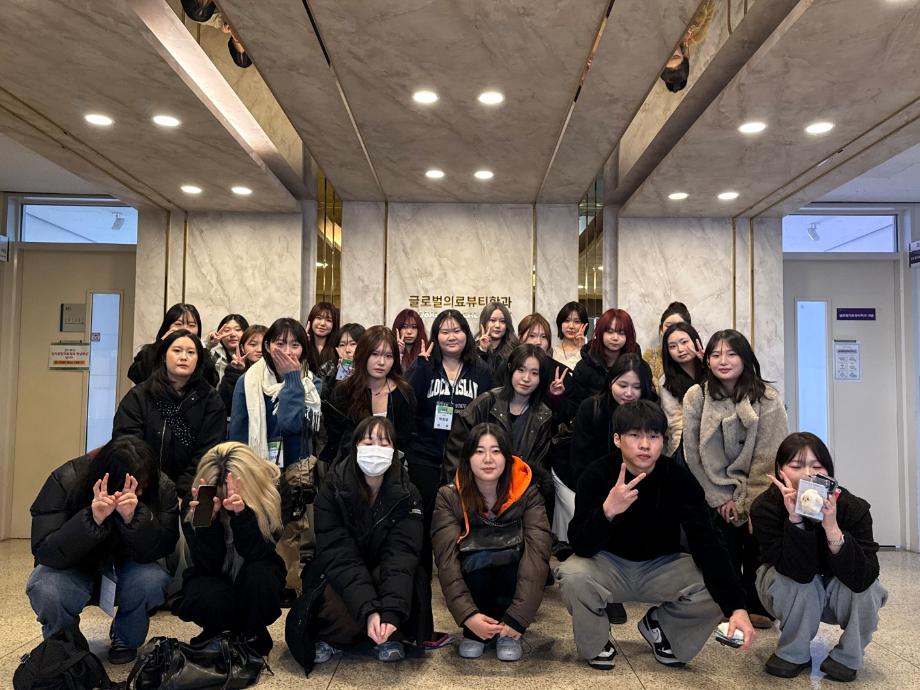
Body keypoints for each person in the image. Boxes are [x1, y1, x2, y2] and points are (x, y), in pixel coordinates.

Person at [555, 401, 755, 670]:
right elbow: (580, 544)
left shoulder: (678, 479)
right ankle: (597, 641)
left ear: (663, 441)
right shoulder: (597, 474)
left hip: (662, 566)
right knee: (572, 575)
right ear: (617, 439)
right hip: (608, 564)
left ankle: (662, 627)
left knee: (715, 584)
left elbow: (708, 542)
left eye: (653, 436)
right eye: (635, 435)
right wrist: (607, 511)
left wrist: (737, 608)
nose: (645, 445)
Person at [27, 437, 179, 665]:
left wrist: (134, 519)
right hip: (75, 565)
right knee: (46, 587)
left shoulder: (162, 486)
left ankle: (126, 638)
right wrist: (92, 520)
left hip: (129, 566)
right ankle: (66, 646)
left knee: (152, 580)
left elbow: (163, 546)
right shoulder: (65, 479)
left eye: (142, 485)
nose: (138, 491)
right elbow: (45, 551)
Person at [751, 433, 887, 681]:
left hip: (836, 584)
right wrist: (795, 520)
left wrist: (831, 527)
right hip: (784, 586)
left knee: (869, 589)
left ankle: (848, 657)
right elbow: (797, 572)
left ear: (829, 472)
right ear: (780, 470)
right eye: (796, 466)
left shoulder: (852, 507)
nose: (807, 475)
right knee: (800, 584)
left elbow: (864, 576)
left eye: (817, 467)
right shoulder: (766, 507)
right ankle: (793, 652)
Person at [299, 417, 430, 667]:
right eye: (368, 442)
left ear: (394, 451)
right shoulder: (332, 489)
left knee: (410, 584)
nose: (376, 449)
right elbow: (339, 553)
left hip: (384, 569)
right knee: (339, 606)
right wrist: (368, 609)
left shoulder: (407, 493)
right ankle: (335, 637)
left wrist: (390, 612)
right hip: (341, 569)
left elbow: (401, 554)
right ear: (355, 447)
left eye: (384, 443)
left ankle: (389, 634)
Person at [682, 329, 788, 628]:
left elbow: (769, 456)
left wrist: (746, 503)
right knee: (719, 543)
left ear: (745, 358)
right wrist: (720, 497)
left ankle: (757, 603)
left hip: (758, 488)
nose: (723, 361)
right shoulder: (697, 396)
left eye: (731, 354)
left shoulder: (767, 398)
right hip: (714, 488)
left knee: (756, 541)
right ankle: (728, 603)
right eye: (716, 354)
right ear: (707, 360)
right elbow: (693, 453)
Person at [432, 423, 551, 661]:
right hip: (474, 583)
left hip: (512, 581)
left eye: (496, 451)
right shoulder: (449, 496)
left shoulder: (527, 493)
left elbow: (538, 554)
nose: (488, 459)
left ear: (507, 457)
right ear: (467, 458)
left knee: (516, 563)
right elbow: (446, 560)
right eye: (479, 451)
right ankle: (475, 631)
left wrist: (518, 619)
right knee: (473, 562)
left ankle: (508, 632)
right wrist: (467, 616)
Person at [229, 318, 322, 596]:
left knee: (290, 530)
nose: (288, 351)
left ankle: (287, 584)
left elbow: (290, 424)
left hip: (294, 468)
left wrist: (292, 379)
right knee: (258, 527)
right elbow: (238, 431)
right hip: (256, 466)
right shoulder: (248, 381)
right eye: (280, 343)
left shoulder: (310, 384)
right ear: (268, 346)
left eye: (295, 345)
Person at [406, 309, 493, 584]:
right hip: (426, 453)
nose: (451, 336)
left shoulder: (482, 370)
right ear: (436, 336)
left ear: (467, 334)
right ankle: (421, 575)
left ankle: (463, 573)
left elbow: (490, 411)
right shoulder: (424, 367)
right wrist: (418, 369)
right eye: (445, 331)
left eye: (457, 330)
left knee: (464, 517)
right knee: (423, 517)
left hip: (466, 457)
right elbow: (408, 404)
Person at [179, 442, 285, 656]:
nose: (224, 497)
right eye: (218, 492)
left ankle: (251, 632)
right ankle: (219, 632)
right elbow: (205, 565)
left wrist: (242, 516)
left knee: (261, 579)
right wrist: (208, 524)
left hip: (255, 571)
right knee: (205, 593)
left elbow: (259, 552)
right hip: (216, 576)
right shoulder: (195, 501)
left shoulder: (274, 493)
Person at [113, 329, 226, 500]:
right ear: (164, 356)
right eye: (177, 350)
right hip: (143, 490)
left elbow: (208, 451)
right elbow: (127, 444)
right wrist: (155, 487)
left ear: (199, 360)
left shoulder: (211, 400)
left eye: (191, 352)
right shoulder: (140, 395)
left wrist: (182, 491)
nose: (184, 357)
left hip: (192, 492)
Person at [443, 345, 554, 518]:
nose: (526, 378)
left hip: (517, 501)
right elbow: (456, 451)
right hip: (473, 495)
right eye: (521, 370)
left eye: (534, 373)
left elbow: (538, 468)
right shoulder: (486, 402)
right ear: (510, 368)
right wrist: (464, 491)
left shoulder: (544, 416)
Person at [320, 326, 416, 466]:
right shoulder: (345, 390)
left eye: (388, 356)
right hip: (349, 466)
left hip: (391, 466)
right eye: (375, 354)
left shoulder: (403, 392)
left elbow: (406, 438)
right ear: (363, 354)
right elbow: (334, 438)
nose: (381, 362)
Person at [564, 308, 640, 419]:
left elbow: (648, 400)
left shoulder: (638, 365)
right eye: (610, 332)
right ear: (600, 333)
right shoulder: (584, 367)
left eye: (621, 333)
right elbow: (575, 406)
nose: (615, 338)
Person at [128, 303, 218, 387]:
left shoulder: (201, 353)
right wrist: (160, 344)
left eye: (191, 325)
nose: (185, 329)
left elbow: (212, 381)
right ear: (167, 327)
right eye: (178, 324)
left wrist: (203, 347)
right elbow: (137, 375)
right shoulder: (151, 350)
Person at [659, 322, 705, 459]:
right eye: (672, 346)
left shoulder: (712, 370)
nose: (680, 349)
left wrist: (709, 367)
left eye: (684, 342)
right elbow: (676, 424)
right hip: (685, 448)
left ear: (695, 341)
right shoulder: (666, 381)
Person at [218, 324, 266, 418]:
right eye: (253, 344)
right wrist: (237, 373)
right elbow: (225, 406)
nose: (259, 350)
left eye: (263, 345)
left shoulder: (277, 372)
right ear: (242, 348)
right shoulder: (232, 372)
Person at [643, 301, 691, 389]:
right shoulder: (650, 359)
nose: (674, 330)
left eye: (680, 326)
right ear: (661, 330)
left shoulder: (695, 356)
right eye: (669, 326)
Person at [318, 322, 365, 400]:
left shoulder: (369, 368)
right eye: (342, 345)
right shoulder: (327, 369)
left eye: (353, 344)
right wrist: (343, 369)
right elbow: (328, 401)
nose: (347, 350)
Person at [476, 301, 519, 383]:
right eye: (492, 320)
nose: (497, 325)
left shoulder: (515, 349)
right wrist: (482, 350)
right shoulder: (473, 348)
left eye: (502, 321)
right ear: (484, 322)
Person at [207, 313, 249, 383]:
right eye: (227, 330)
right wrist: (209, 344)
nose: (232, 334)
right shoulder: (213, 355)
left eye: (238, 329)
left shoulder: (251, 355)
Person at [304, 302, 340, 376]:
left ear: (334, 325)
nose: (323, 323)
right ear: (311, 320)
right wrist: (302, 343)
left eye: (328, 320)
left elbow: (344, 378)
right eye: (319, 318)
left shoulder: (338, 348)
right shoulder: (302, 345)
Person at [552, 301, 589, 369]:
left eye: (577, 321)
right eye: (567, 320)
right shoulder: (552, 352)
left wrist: (582, 349)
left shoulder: (590, 352)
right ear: (560, 323)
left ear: (584, 325)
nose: (571, 326)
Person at [392, 308, 428, 373]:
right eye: (404, 327)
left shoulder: (427, 351)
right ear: (398, 329)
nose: (409, 332)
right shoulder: (390, 350)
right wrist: (398, 354)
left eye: (414, 327)